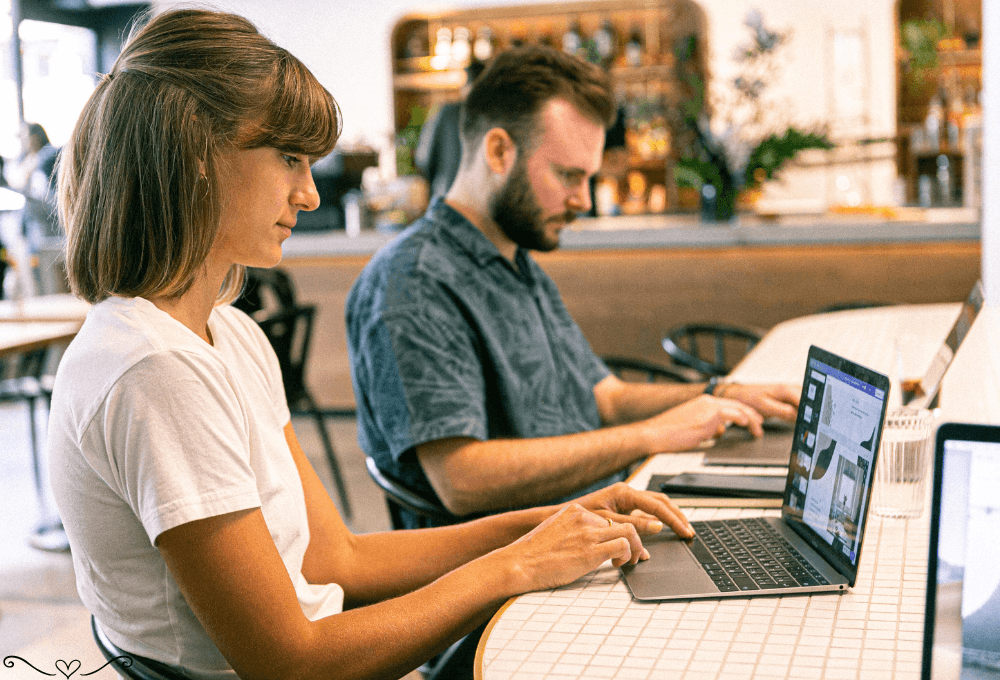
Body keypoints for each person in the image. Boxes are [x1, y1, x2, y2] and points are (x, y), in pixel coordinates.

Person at [47, 10, 695, 680]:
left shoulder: (226, 333)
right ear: (195, 157)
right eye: (290, 159)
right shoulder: (155, 369)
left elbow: (339, 561)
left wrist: (553, 521)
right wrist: (516, 565)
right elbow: (289, 663)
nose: (306, 193)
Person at [346, 45, 799, 529]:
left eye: (589, 178)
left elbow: (604, 398)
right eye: (568, 175)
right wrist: (649, 436)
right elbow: (461, 480)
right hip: (509, 569)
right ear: (499, 151)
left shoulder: (515, 259)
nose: (583, 200)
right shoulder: (413, 282)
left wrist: (721, 394)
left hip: (592, 521)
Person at [414, 60, 486, 201]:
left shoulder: (446, 112)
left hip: (446, 197)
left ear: (465, 86)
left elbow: (424, 158)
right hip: (481, 204)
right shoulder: (494, 115)